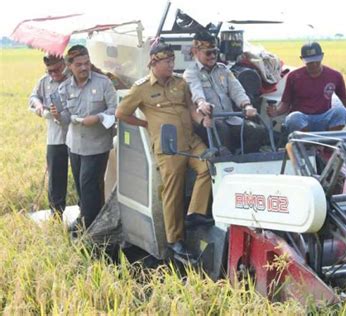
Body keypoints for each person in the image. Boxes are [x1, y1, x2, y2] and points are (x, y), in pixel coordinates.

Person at [115, 42, 213, 259]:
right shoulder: (141, 88)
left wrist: (202, 119)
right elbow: (121, 113)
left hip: (191, 140)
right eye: (167, 61)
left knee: (209, 166)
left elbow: (189, 108)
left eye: (172, 60)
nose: (172, 65)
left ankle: (194, 213)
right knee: (173, 191)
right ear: (154, 62)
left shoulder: (180, 82)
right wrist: (146, 125)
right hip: (169, 147)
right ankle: (174, 241)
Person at [51, 45, 117, 228]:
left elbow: (115, 109)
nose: (84, 68)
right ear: (69, 66)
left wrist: (98, 117)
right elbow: (64, 119)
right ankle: (86, 219)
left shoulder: (103, 83)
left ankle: (91, 227)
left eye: (87, 63)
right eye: (79, 64)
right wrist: (57, 115)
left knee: (89, 186)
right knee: (81, 187)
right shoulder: (65, 88)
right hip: (75, 145)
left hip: (97, 145)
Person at [183, 31, 266, 154]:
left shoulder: (224, 70)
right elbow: (196, 91)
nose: (212, 56)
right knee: (222, 132)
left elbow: (236, 90)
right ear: (196, 52)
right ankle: (228, 164)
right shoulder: (191, 73)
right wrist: (202, 103)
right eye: (208, 53)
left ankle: (244, 159)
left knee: (258, 131)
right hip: (211, 121)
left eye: (215, 52)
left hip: (231, 118)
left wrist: (246, 105)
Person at [267, 42, 346, 135]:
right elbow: (285, 103)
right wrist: (276, 112)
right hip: (302, 119)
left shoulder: (334, 76)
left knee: (341, 112)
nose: (314, 65)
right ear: (302, 59)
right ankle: (309, 143)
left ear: (322, 57)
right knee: (293, 118)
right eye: (309, 62)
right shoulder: (294, 77)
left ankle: (327, 142)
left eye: (316, 60)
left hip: (324, 117)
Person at [29, 54, 69, 214]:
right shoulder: (44, 81)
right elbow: (33, 96)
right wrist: (39, 106)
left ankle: (84, 213)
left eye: (57, 69)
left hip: (78, 136)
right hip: (55, 136)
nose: (53, 74)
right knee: (56, 176)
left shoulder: (74, 79)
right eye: (49, 71)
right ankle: (56, 212)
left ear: (64, 63)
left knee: (82, 177)